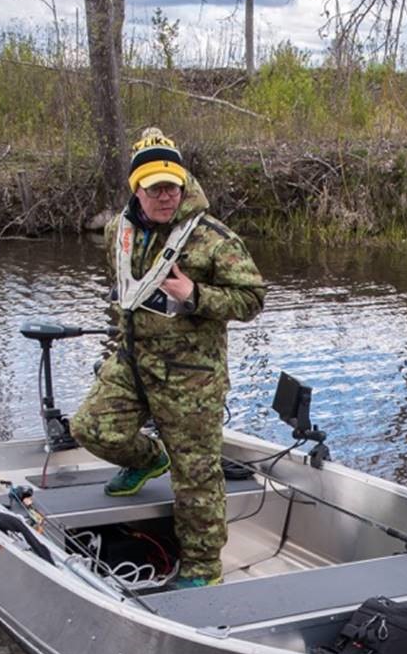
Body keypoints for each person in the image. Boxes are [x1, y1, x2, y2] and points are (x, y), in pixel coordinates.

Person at [70, 128, 267, 590]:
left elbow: (253, 299)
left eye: (172, 186)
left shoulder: (213, 239)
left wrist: (195, 294)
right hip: (134, 360)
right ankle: (145, 460)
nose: (165, 196)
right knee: (90, 429)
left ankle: (202, 570)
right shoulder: (119, 230)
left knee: (196, 477)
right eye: (155, 187)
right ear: (136, 188)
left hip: (191, 377)